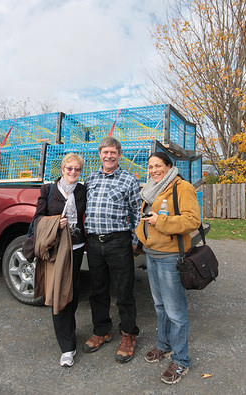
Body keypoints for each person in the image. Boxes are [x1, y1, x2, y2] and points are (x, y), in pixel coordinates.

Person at [135, 152, 201, 385]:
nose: (154, 170)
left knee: (176, 311)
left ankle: (182, 360)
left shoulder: (182, 187)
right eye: (151, 166)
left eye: (158, 166)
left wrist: (160, 222)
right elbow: (144, 218)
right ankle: (163, 346)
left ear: (169, 166)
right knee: (160, 306)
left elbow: (193, 221)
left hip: (170, 257)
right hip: (152, 255)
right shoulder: (153, 188)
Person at [83, 137, 142, 363]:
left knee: (124, 291)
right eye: (105, 152)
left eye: (113, 152)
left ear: (119, 155)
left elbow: (137, 212)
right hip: (95, 243)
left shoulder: (128, 180)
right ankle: (102, 330)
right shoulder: (91, 179)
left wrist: (135, 240)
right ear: (100, 154)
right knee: (98, 290)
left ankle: (128, 334)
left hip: (119, 242)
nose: (109, 156)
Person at [30, 153, 86, 367]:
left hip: (77, 248)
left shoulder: (82, 190)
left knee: (73, 292)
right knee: (59, 292)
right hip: (57, 250)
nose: (73, 172)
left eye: (77, 169)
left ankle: (69, 331)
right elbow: (37, 219)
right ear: (62, 169)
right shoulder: (48, 190)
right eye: (69, 168)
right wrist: (55, 223)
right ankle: (67, 347)